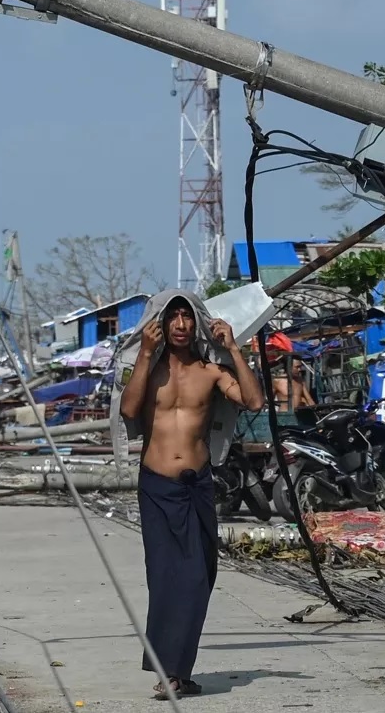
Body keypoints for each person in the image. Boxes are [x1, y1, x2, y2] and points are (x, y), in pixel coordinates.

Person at [118, 296, 264, 699]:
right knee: (166, 579)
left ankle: (179, 670)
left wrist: (234, 348)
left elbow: (253, 401)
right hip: (158, 486)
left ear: (196, 323)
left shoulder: (212, 371)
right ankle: (172, 674)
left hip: (197, 483)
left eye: (186, 316)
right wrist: (146, 354)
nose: (180, 323)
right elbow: (130, 409)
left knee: (199, 578)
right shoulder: (150, 371)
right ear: (160, 324)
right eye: (172, 316)